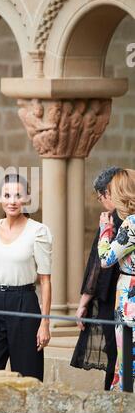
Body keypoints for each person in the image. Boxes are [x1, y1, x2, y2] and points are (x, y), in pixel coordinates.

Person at [0, 173, 52, 380]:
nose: (12, 201)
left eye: (18, 195)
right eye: (7, 195)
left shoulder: (38, 232)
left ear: (27, 198)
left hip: (24, 303)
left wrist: (44, 323)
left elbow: (45, 281)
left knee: (29, 375)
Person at [70, 167, 122, 390]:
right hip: (118, 295)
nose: (102, 202)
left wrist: (83, 303)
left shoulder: (116, 222)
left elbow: (99, 262)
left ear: (109, 193)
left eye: (101, 197)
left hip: (117, 297)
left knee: (116, 351)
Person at [98, 168, 135, 391]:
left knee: (127, 353)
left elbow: (106, 259)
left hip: (130, 294)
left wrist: (105, 231)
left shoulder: (131, 224)